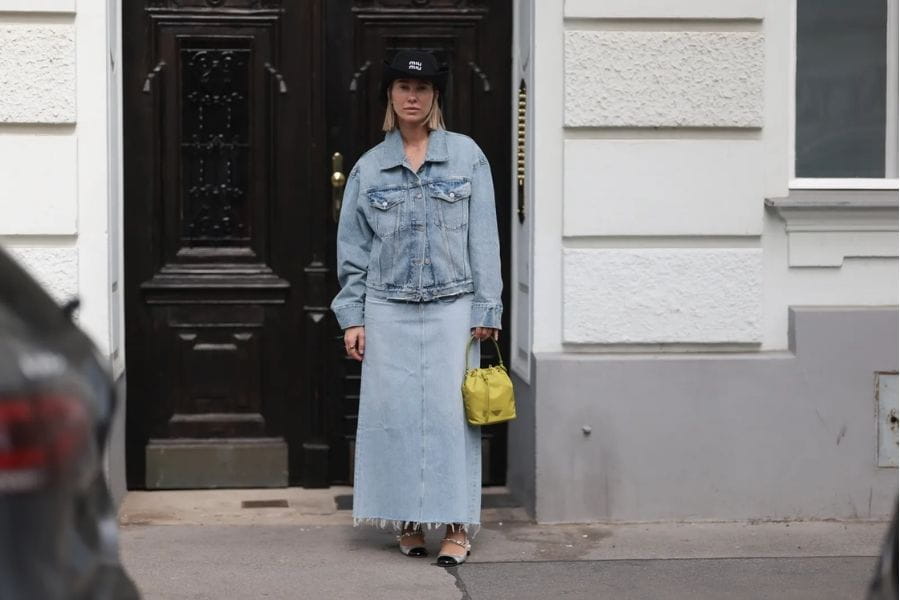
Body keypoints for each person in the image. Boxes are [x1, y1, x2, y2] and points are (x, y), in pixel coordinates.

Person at [331, 49, 503, 567]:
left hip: (453, 308)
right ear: (390, 95)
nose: (412, 96)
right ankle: (407, 520)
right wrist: (353, 317)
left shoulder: (467, 156)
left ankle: (456, 525)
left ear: (435, 97)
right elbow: (353, 250)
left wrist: (486, 309)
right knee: (396, 417)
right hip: (388, 308)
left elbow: (485, 239)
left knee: (453, 420)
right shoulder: (369, 167)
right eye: (403, 87)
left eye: (422, 88)